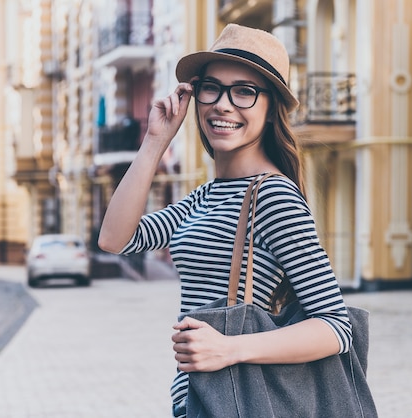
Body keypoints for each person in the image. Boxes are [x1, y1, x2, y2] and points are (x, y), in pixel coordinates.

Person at [98, 23, 352, 417]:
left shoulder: (272, 196)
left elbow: (336, 326)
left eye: (245, 92)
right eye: (211, 87)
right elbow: (116, 239)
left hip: (237, 398)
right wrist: (155, 141)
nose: (223, 104)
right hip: (197, 399)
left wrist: (230, 347)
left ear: (270, 111)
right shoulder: (204, 195)